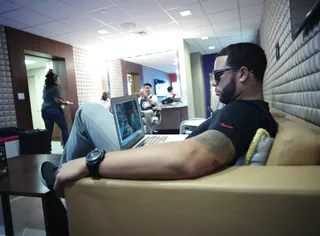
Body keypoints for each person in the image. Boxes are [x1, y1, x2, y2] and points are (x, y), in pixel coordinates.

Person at [39, 43, 278, 198]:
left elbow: (190, 157)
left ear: (244, 74)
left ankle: (61, 178)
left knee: (86, 111)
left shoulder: (243, 112)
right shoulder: (250, 110)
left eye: (218, 76)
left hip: (167, 177)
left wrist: (88, 164)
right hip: (175, 150)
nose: (215, 83)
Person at [41, 69, 70, 148]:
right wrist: (65, 102)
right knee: (64, 129)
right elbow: (56, 100)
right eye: (58, 79)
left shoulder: (45, 88)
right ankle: (67, 148)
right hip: (54, 110)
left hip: (45, 111)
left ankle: (47, 149)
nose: (59, 81)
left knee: (49, 132)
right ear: (55, 81)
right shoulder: (55, 88)